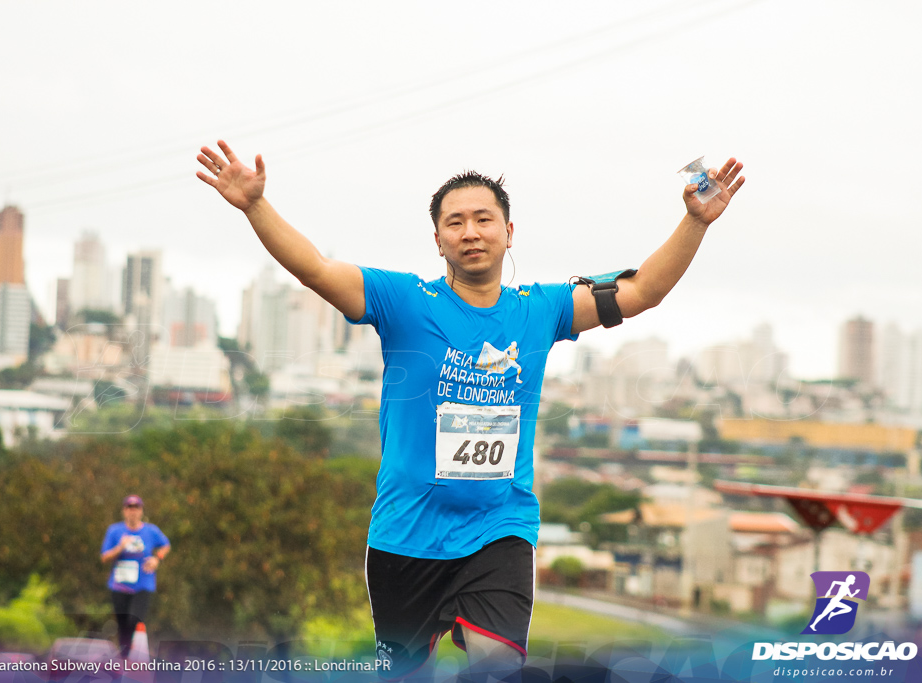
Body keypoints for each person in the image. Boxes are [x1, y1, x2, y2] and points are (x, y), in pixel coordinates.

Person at [196, 141, 744, 679]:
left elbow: (642, 290)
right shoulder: (404, 301)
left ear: (509, 232)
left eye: (484, 219)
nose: (471, 232)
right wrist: (255, 206)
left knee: (498, 665)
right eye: (455, 223)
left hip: (499, 526)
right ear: (438, 241)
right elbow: (315, 268)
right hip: (406, 535)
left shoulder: (542, 309)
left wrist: (695, 222)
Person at [100, 495, 170, 658]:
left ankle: (126, 653)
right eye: (129, 508)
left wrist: (156, 559)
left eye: (136, 508)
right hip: (119, 585)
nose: (133, 512)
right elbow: (104, 557)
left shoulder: (151, 531)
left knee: (134, 619)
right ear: (124, 511)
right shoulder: (115, 531)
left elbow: (166, 545)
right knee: (123, 624)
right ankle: (123, 656)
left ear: (141, 511)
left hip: (143, 584)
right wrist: (120, 547)